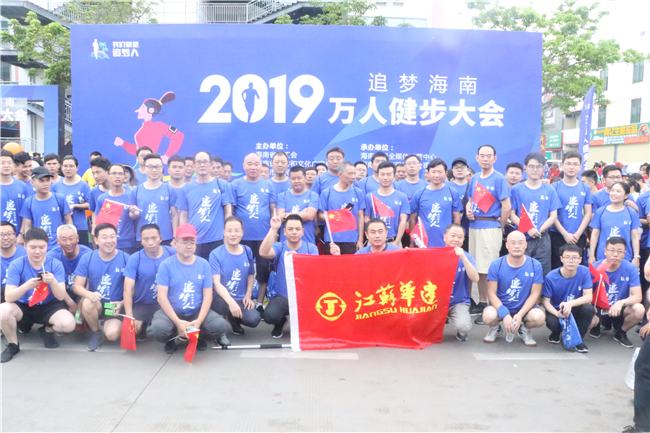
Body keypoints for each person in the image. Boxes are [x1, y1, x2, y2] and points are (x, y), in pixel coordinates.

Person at [1, 227, 75, 362]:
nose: (37, 251)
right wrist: (26, 286)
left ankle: (46, 331)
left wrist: (53, 281)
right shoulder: (17, 264)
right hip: (24, 306)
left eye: (42, 247)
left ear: (47, 246)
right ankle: (13, 344)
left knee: (68, 324)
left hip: (49, 306)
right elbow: (8, 297)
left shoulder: (55, 264)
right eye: (32, 247)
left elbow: (60, 296)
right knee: (3, 310)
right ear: (25, 246)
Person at [152, 223, 228, 354]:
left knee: (219, 325)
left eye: (192, 242)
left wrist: (199, 321)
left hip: (196, 311)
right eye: (184, 241)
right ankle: (171, 338)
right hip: (173, 312)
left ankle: (198, 337)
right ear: (175, 243)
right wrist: (177, 322)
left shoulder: (204, 264)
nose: (189, 246)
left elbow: (208, 296)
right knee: (159, 328)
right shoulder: (166, 265)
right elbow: (161, 297)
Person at [466, 145, 512, 320]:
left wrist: (500, 226)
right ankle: (482, 302)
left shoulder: (499, 179)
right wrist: (468, 209)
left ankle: (490, 305)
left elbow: (506, 207)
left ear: (495, 158)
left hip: (490, 226)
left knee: (489, 269)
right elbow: (470, 200)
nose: (485, 159)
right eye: (482, 155)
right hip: (474, 226)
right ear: (477, 158)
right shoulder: (475, 178)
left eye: (489, 156)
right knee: (478, 268)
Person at [481, 231, 545, 346]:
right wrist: (505, 314)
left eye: (520, 243)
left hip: (524, 308)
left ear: (526, 245)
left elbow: (535, 294)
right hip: (501, 306)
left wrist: (520, 314)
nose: (517, 246)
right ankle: (495, 328)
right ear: (506, 245)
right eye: (513, 243)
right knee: (488, 316)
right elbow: (491, 293)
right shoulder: (496, 264)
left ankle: (524, 329)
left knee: (539, 317)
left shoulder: (535, 265)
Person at [260, 213, 318, 338]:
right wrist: (274, 229)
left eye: (297, 229)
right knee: (269, 316)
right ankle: (280, 323)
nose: (294, 232)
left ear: (302, 231)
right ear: (285, 232)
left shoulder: (311, 248)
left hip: (305, 297)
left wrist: (299, 259)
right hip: (283, 297)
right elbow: (263, 252)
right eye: (290, 229)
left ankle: (305, 324)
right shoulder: (280, 247)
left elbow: (315, 272)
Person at [74, 223, 130, 351]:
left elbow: (132, 289)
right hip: (96, 303)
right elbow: (77, 286)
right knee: (87, 302)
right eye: (104, 237)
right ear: (96, 240)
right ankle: (95, 332)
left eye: (112, 236)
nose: (109, 241)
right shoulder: (88, 258)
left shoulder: (126, 259)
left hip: (115, 306)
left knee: (112, 335)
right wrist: (89, 294)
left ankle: (107, 325)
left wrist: (122, 303)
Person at [231, 153, 276, 308]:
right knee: (241, 270)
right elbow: (231, 211)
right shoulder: (236, 185)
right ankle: (242, 301)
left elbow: (273, 210)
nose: (253, 167)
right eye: (249, 164)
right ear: (244, 166)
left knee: (263, 271)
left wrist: (273, 233)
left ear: (261, 166)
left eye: (256, 164)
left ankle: (259, 303)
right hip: (241, 237)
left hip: (264, 237)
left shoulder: (268, 185)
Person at [509, 152, 561, 277]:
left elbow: (553, 216)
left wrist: (539, 230)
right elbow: (512, 214)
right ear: (525, 168)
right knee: (520, 271)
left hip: (542, 237)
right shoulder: (516, 189)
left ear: (543, 168)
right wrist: (528, 229)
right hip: (521, 237)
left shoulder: (549, 189)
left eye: (539, 166)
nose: (535, 169)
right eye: (531, 166)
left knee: (542, 272)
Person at [588, 237, 644, 348]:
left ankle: (621, 333)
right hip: (598, 307)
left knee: (639, 309)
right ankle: (596, 325)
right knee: (587, 319)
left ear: (624, 254)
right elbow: (586, 293)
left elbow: (638, 296)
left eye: (619, 251)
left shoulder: (631, 268)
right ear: (605, 251)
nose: (615, 254)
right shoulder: (594, 268)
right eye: (612, 250)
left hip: (619, 308)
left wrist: (620, 302)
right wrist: (591, 309)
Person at [123, 224, 176, 341]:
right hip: (143, 304)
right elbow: (128, 288)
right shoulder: (135, 258)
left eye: (154, 238)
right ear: (141, 241)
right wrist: (129, 317)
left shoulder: (172, 253)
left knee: (167, 327)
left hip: (167, 302)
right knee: (133, 330)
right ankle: (143, 326)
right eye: (146, 239)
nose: (150, 243)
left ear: (160, 238)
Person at [209, 216, 260, 336]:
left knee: (254, 319)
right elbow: (216, 283)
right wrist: (231, 302)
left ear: (242, 233)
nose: (233, 234)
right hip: (221, 298)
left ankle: (233, 320)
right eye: (229, 231)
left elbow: (251, 274)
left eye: (237, 230)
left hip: (240, 298)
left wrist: (248, 295)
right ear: (224, 233)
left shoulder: (247, 250)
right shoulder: (216, 254)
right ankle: (220, 330)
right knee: (221, 305)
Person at [177, 151, 233, 260]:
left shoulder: (221, 185)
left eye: (205, 162)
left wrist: (227, 233)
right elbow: (183, 215)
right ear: (194, 165)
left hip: (217, 239)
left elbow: (228, 211)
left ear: (211, 165)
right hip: (193, 240)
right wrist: (183, 236)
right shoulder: (186, 188)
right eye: (199, 162)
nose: (202, 165)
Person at [541, 244, 593, 353]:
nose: (571, 261)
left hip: (575, 307)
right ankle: (556, 333)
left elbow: (589, 297)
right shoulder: (551, 277)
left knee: (589, 309)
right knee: (553, 323)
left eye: (574, 258)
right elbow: (546, 301)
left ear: (580, 259)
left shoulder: (584, 271)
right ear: (561, 258)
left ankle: (578, 340)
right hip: (557, 309)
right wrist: (556, 314)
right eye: (567, 257)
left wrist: (570, 304)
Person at [113, 93, 185, 166]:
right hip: (140, 165)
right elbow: (139, 151)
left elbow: (179, 136)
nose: (139, 111)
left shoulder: (159, 126)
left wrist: (167, 155)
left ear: (151, 110)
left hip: (151, 165)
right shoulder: (140, 132)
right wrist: (123, 144)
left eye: (142, 108)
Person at [549, 152, 593, 270]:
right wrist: (564, 233)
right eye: (568, 163)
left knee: (576, 268)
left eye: (575, 164)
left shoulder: (585, 188)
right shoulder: (554, 187)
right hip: (557, 234)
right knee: (557, 267)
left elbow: (588, 213)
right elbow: (552, 214)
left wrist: (578, 233)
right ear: (562, 165)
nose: (571, 167)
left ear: (580, 167)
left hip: (578, 236)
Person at [409, 158, 462, 248]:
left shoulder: (452, 192)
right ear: (428, 173)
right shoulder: (420, 193)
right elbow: (412, 218)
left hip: (446, 244)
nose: (437, 175)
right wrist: (412, 240)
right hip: (422, 244)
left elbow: (457, 217)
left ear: (445, 173)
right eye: (433, 172)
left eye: (440, 172)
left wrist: (455, 239)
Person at [129, 153, 179, 249]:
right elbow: (132, 215)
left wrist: (175, 237)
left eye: (157, 167)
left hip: (165, 237)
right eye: (150, 167)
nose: (154, 170)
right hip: (143, 238)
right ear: (144, 168)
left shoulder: (169, 189)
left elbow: (175, 214)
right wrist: (134, 214)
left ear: (162, 168)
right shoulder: (136, 190)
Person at [589, 181, 641, 267]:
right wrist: (591, 255)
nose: (614, 193)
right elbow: (595, 234)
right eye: (612, 190)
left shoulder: (631, 213)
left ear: (626, 195)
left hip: (625, 257)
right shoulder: (601, 211)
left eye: (618, 191)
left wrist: (636, 257)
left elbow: (634, 236)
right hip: (603, 257)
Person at [318, 161, 365, 254]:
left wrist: (360, 240)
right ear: (340, 174)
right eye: (350, 174)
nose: (353, 177)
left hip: (352, 240)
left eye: (354, 173)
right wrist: (338, 215)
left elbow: (360, 217)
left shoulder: (358, 192)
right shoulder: (327, 193)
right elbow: (320, 216)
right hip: (332, 240)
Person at [20, 167, 72, 249]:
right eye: (41, 181)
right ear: (32, 182)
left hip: (58, 245)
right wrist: (29, 243)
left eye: (47, 180)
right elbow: (27, 226)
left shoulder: (59, 198)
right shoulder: (29, 202)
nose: (45, 184)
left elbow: (68, 221)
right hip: (39, 246)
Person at [443, 224, 479, 341]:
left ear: (463, 240)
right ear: (444, 237)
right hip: (436, 301)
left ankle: (461, 332)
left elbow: (475, 278)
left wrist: (463, 258)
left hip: (458, 302)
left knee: (463, 326)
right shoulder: (436, 254)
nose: (456, 239)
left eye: (459, 237)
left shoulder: (468, 257)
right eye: (452, 236)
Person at [46, 224, 92, 313]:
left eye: (71, 238)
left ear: (77, 238)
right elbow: (52, 284)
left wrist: (83, 300)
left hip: (83, 292)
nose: (68, 243)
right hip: (61, 294)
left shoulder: (88, 254)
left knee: (88, 304)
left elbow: (91, 281)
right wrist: (70, 302)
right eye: (64, 239)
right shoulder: (51, 257)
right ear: (58, 241)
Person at [363, 161, 409, 246]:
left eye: (388, 174)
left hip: (394, 241)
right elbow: (366, 218)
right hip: (373, 242)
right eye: (382, 174)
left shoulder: (402, 197)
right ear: (377, 176)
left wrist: (397, 242)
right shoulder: (369, 197)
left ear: (394, 176)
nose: (385, 177)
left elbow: (403, 221)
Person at [94, 164, 137, 254]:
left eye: (120, 174)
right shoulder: (102, 198)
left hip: (128, 244)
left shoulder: (132, 195)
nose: (117, 176)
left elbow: (137, 218)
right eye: (114, 173)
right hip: (108, 243)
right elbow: (98, 221)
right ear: (108, 176)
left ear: (124, 177)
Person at [51, 155, 92, 247]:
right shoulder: (55, 186)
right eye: (65, 166)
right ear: (61, 167)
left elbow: (89, 204)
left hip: (80, 226)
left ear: (77, 168)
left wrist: (75, 206)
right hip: (61, 227)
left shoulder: (84, 185)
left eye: (71, 166)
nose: (68, 169)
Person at [277, 166, 319, 244]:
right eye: (293, 178)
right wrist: (303, 213)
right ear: (290, 180)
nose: (296, 181)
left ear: (305, 178)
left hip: (307, 242)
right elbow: (280, 217)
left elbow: (310, 216)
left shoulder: (313, 195)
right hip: (286, 243)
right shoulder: (282, 196)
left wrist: (286, 215)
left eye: (299, 178)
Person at [1, 150, 29, 245]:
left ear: (14, 166)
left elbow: (26, 213)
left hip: (17, 236)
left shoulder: (22, 186)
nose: (6, 166)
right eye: (2, 163)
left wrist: (21, 234)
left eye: (9, 163)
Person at [447, 157, 471, 249]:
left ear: (467, 170)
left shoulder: (473, 186)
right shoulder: (446, 187)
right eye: (456, 167)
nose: (459, 169)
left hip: (469, 232)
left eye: (462, 167)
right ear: (452, 170)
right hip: (451, 234)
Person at [1, 222, 26, 303]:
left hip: (22, 294)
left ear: (15, 235)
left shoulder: (26, 253)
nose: (5, 238)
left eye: (9, 234)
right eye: (1, 234)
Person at [87, 156, 112, 222]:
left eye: (98, 172)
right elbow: (94, 212)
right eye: (93, 173)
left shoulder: (123, 189)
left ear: (108, 171)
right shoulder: (94, 191)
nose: (95, 176)